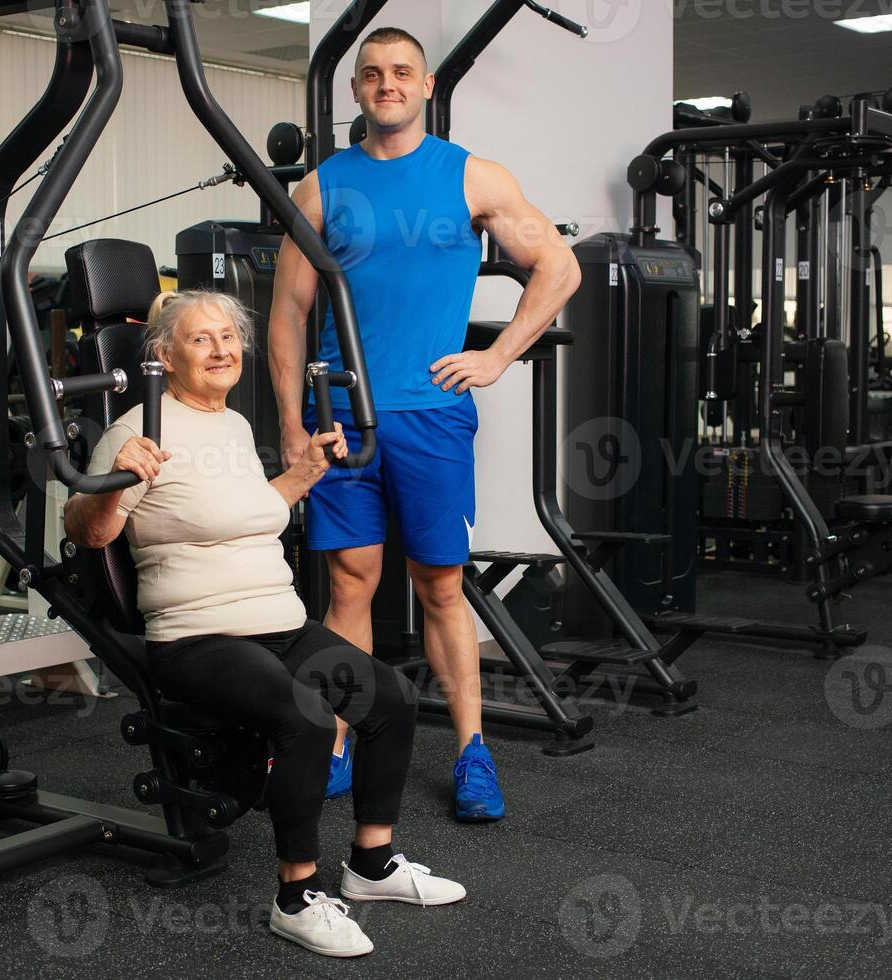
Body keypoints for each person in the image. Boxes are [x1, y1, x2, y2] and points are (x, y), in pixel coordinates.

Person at [64, 290, 465, 958]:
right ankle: (296, 897)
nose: (222, 350)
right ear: (164, 355)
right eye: (201, 340)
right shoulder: (142, 428)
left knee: (390, 697)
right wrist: (113, 482)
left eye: (229, 337)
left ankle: (370, 866)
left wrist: (303, 474)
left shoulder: (233, 426)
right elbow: (86, 529)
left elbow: (249, 512)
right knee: (304, 716)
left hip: (279, 622)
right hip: (197, 634)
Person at [268, 26, 582, 822]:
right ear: (357, 90)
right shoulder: (321, 188)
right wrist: (290, 426)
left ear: (427, 84)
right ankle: (342, 738)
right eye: (372, 74)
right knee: (348, 583)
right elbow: (287, 315)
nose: (387, 84)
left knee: (440, 584)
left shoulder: (472, 177)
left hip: (433, 417)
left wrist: (499, 356)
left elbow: (559, 267)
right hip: (341, 417)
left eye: (401, 72)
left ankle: (473, 752)